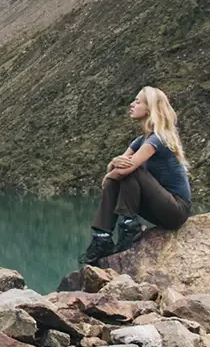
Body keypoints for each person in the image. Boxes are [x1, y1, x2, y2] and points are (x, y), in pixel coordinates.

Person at [79, 86, 193, 264]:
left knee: (133, 172)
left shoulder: (158, 138)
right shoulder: (140, 141)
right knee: (118, 179)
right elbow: (117, 167)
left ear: (150, 108)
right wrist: (113, 165)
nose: (131, 105)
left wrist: (113, 172)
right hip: (158, 208)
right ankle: (102, 238)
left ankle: (129, 227)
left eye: (137, 101)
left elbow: (125, 169)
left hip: (176, 210)